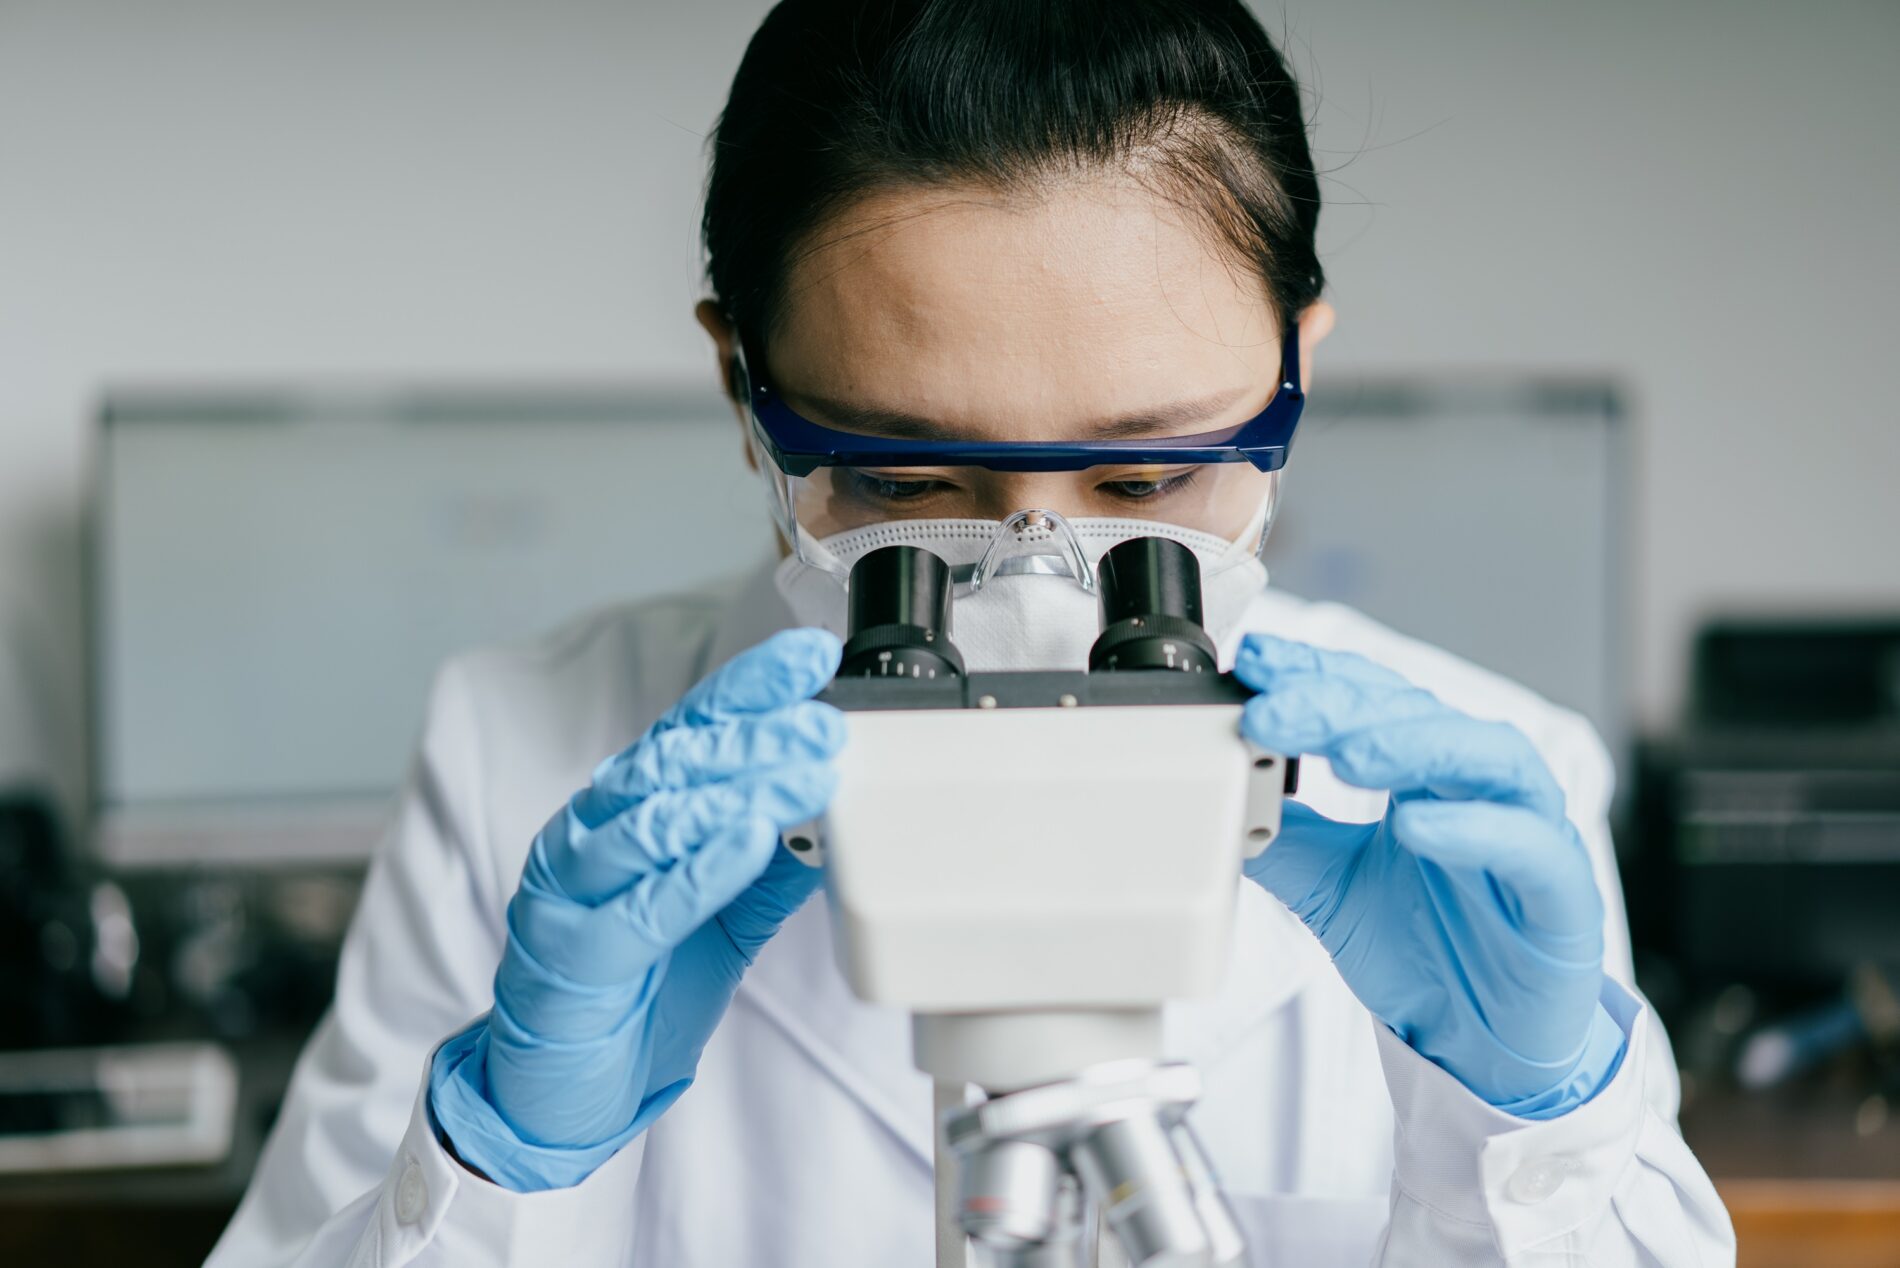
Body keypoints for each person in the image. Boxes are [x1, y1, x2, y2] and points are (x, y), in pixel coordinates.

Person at [206, 2, 1735, 1264]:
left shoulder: (1488, 798)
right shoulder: (520, 760)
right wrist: (503, 1164)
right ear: (743, 387)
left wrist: (1529, 1130)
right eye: (901, 483)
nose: (1035, 594)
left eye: (1148, 481)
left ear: (1293, 372)